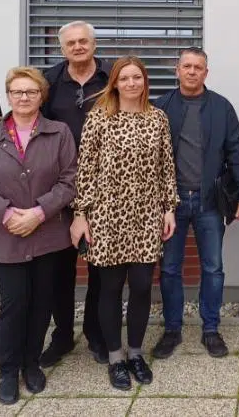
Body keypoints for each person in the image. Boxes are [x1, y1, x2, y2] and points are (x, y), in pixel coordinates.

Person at [0, 67, 78, 405]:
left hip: (48, 234)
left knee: (42, 304)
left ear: (42, 96)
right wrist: (8, 214)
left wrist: (40, 212)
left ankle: (32, 364)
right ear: (9, 96)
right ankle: (9, 370)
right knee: (13, 306)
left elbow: (70, 180)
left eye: (31, 91)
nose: (24, 97)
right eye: (17, 92)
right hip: (8, 234)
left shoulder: (59, 132)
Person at [70, 56, 178, 390]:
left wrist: (169, 208)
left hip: (146, 214)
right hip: (107, 215)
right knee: (111, 287)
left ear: (145, 81)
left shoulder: (158, 118)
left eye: (137, 77)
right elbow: (85, 169)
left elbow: (166, 167)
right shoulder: (99, 117)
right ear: (114, 83)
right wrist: (80, 214)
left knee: (143, 285)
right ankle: (115, 358)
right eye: (124, 78)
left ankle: (135, 353)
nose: (131, 83)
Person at [151, 47, 239, 360]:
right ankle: (172, 329)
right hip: (172, 203)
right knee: (170, 268)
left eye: (198, 67)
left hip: (209, 201)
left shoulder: (221, 107)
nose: (192, 72)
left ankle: (211, 329)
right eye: (187, 66)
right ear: (177, 70)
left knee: (213, 268)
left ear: (206, 72)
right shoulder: (161, 107)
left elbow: (235, 153)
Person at [38, 21, 111, 367]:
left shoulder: (112, 77)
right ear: (62, 48)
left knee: (101, 266)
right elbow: (27, 116)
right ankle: (63, 335)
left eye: (84, 41)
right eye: (71, 43)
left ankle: (96, 333)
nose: (78, 47)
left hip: (104, 186)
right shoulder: (48, 82)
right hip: (59, 186)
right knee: (60, 268)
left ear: (94, 44)